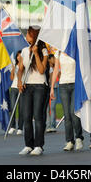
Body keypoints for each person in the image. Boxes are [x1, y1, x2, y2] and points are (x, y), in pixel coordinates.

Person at [17, 26, 49, 156]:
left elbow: (42, 70)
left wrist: (36, 53)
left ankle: (38, 145)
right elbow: (20, 69)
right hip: (27, 86)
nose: (26, 36)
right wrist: (19, 81)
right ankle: (28, 145)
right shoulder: (24, 51)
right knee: (26, 116)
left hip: (40, 86)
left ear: (34, 36)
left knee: (38, 116)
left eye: (28, 34)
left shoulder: (44, 51)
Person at [51, 50, 85, 151]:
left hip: (75, 84)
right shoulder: (59, 53)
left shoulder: (76, 49)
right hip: (63, 85)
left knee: (73, 112)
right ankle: (69, 141)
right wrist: (52, 87)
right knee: (67, 115)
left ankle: (79, 138)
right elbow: (56, 69)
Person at [8, 51, 23, 135]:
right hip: (14, 88)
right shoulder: (15, 65)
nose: (19, 57)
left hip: (21, 89)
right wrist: (13, 69)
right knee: (13, 108)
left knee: (21, 109)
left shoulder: (24, 66)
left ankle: (20, 127)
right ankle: (12, 126)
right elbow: (11, 78)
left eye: (21, 56)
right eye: (18, 56)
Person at [46, 54, 58, 133]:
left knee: (53, 107)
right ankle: (48, 125)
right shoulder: (47, 68)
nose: (54, 60)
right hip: (47, 88)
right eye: (53, 58)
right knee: (47, 108)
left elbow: (58, 76)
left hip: (54, 88)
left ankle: (53, 125)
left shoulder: (55, 68)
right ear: (49, 59)